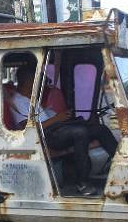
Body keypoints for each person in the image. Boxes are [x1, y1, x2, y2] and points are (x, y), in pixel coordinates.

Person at [8, 65, 117, 196]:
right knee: (80, 132)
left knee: (100, 129)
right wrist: (56, 119)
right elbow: (27, 129)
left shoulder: (30, 98)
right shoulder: (17, 101)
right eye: (35, 80)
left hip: (55, 128)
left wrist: (60, 117)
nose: (38, 84)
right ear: (27, 81)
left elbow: (44, 118)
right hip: (45, 136)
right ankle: (82, 182)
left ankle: (119, 165)